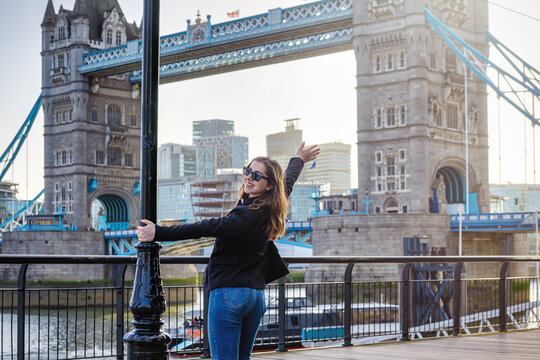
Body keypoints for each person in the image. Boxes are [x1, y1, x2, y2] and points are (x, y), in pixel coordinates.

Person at [137, 142, 319, 359]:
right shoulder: (271, 207)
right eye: (248, 171)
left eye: (257, 176)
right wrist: (297, 160)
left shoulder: (246, 216)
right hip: (255, 297)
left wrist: (159, 233)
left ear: (269, 185)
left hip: (229, 294)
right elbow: (286, 183)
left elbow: (205, 227)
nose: (249, 177)